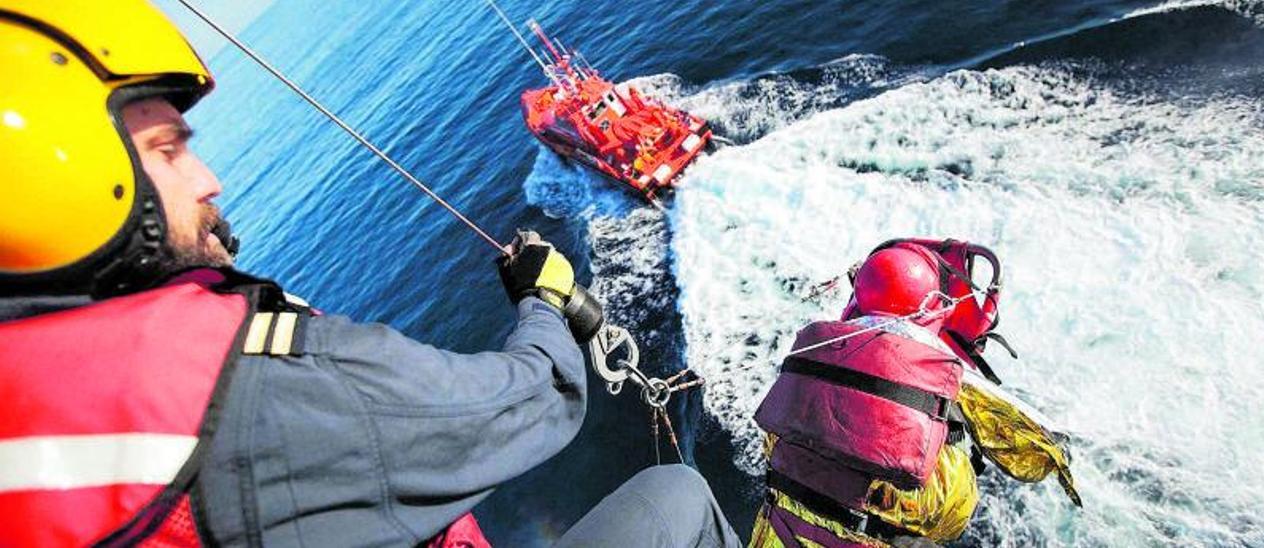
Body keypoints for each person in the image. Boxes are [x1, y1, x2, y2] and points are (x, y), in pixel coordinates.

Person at [0, 2, 740, 547]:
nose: (210, 178)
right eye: (167, 150)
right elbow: (521, 407)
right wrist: (544, 302)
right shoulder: (226, 386)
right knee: (681, 493)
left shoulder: (36, 431)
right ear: (71, 181)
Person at [750, 239, 1080, 547]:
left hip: (776, 532)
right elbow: (966, 506)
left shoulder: (811, 354)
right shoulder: (946, 380)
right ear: (934, 307)